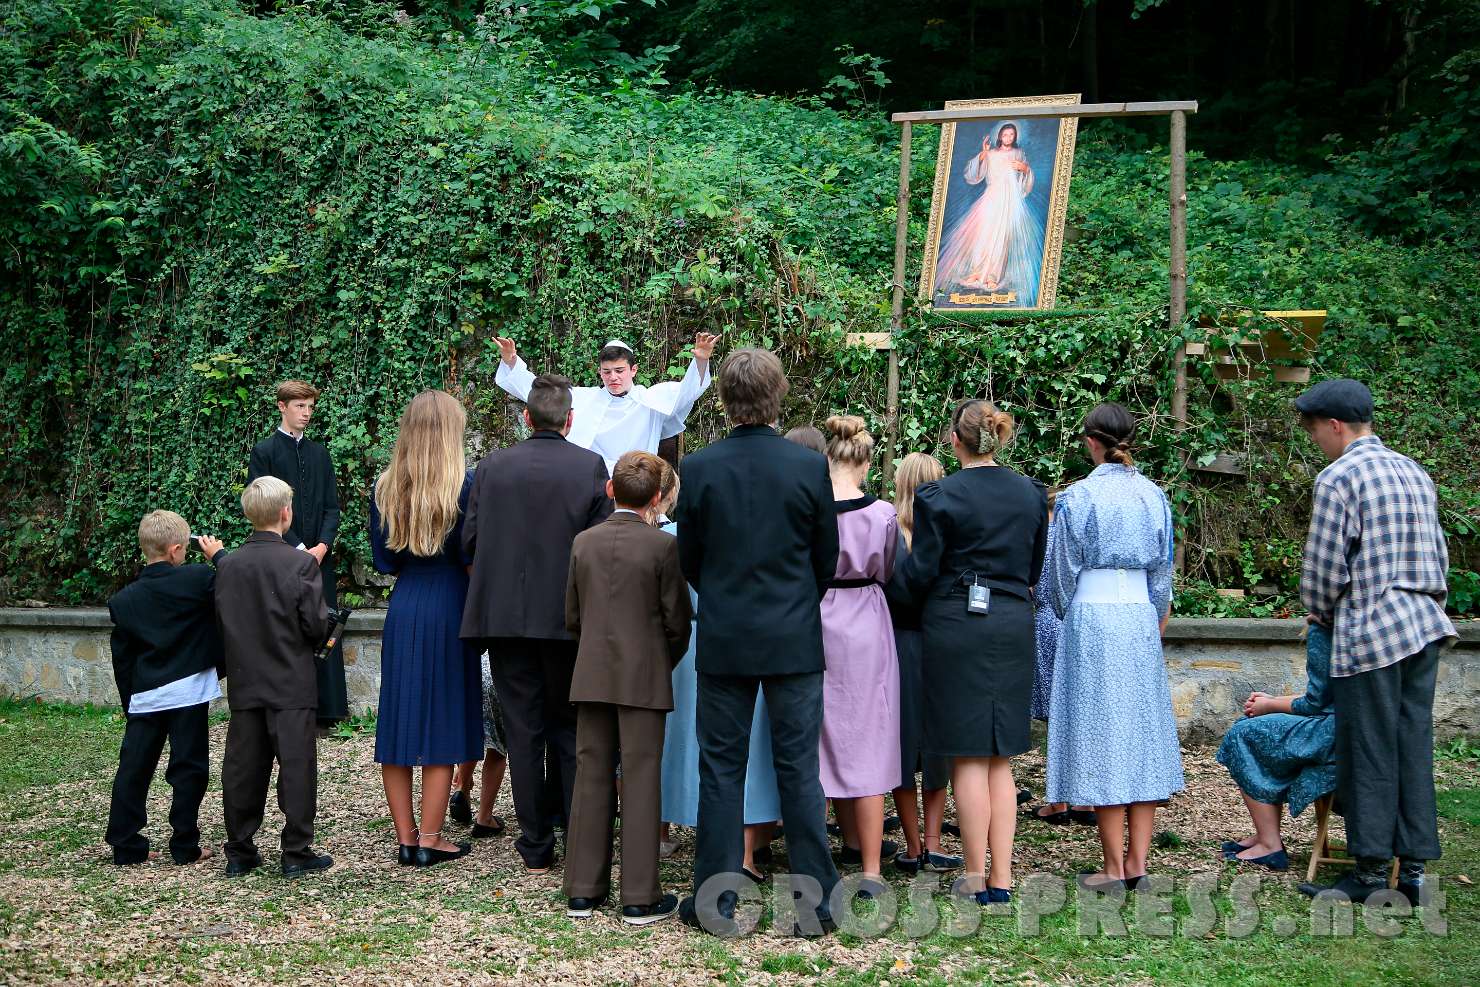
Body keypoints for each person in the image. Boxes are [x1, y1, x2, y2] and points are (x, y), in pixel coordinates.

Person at [675, 348, 842, 935]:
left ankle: (713, 901)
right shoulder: (806, 467)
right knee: (799, 768)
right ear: (777, 397)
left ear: (724, 399)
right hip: (793, 634)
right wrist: (795, 602)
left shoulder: (699, 469)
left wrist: (723, 597)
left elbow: (689, 558)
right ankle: (816, 905)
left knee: (721, 769)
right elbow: (826, 558)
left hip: (726, 632)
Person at [1292, 379, 1456, 906]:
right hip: (1424, 625)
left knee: (1368, 751)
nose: (1315, 440)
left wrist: (1319, 610)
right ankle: (1411, 873)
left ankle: (1366, 874)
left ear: (1335, 425)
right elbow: (1440, 556)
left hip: (1370, 632)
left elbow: (1323, 570)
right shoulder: (1414, 471)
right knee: (1412, 747)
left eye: (1315, 430)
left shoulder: (1340, 477)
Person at [460, 374, 612, 873]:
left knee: (522, 730)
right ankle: (574, 829)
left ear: (527, 418)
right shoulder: (588, 467)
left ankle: (534, 842)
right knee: (568, 729)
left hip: (505, 619)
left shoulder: (493, 466)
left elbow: (470, 540)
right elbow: (599, 548)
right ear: (569, 420)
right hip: (568, 619)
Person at [900, 400, 1047, 905]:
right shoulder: (1031, 494)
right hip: (1010, 618)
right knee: (1000, 757)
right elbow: (1033, 569)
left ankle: (973, 873)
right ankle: (1002, 877)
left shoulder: (937, 496)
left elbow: (920, 571)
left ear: (955, 441)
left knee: (966, 754)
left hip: (955, 622)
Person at [1043, 402, 1182, 892]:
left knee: (1102, 733)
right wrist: (1155, 614)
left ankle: (1113, 865)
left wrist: (1065, 610)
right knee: (1140, 732)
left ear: (1090, 442)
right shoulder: (1155, 496)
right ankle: (1139, 863)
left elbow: (1059, 575)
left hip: (1094, 618)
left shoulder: (1077, 498)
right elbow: (1163, 572)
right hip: (1140, 617)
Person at [563, 452, 692, 925]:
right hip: (643, 675)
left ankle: (583, 889)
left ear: (611, 490)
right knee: (640, 779)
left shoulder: (583, 543)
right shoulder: (662, 548)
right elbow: (677, 622)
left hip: (592, 672)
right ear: (656, 498)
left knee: (591, 774)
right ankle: (638, 895)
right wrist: (660, 661)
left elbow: (573, 618)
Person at [369, 390, 484, 868]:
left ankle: (405, 836)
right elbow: (473, 555)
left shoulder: (387, 486)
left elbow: (384, 561)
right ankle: (431, 839)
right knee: (444, 715)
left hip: (407, 603)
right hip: (451, 603)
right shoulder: (466, 485)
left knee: (399, 717)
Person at [215, 476, 332, 878]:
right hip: (290, 679)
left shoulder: (227, 565)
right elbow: (316, 625)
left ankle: (240, 850)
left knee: (243, 767)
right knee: (296, 765)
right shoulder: (300, 564)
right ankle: (297, 850)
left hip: (246, 680)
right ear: (286, 513)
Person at [104, 511, 225, 867]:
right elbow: (235, 585)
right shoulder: (198, 579)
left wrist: (131, 700)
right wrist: (216, 556)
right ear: (174, 550)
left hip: (146, 694)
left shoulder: (124, 601)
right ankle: (184, 843)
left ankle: (126, 843)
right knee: (188, 768)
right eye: (185, 548)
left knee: (134, 768)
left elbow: (122, 658)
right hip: (189, 691)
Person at [817, 416, 901, 895]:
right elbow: (888, 567)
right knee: (867, 735)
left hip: (821, 615)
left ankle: (820, 854)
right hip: (867, 618)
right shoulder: (884, 514)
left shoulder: (812, 512)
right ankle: (870, 867)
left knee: (820, 734)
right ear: (866, 463)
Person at [247, 380, 346, 729]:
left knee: (325, 623)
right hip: (280, 555)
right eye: (299, 406)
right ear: (282, 406)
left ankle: (328, 711)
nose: (306, 413)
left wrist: (320, 547)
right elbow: (262, 504)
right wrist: (299, 548)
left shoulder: (320, 454)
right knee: (289, 627)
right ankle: (288, 706)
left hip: (320, 558)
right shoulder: (264, 452)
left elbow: (333, 508)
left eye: (310, 407)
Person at [884, 452, 961, 875]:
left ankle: (913, 845)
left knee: (898, 745)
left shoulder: (887, 530)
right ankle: (931, 843)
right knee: (937, 745)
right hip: (940, 644)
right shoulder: (948, 533)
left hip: (894, 645)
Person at [491, 333, 720, 473]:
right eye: (607, 372)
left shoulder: (651, 400)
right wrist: (511, 361)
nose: (613, 378)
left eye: (619, 371)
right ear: (599, 372)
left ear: (633, 370)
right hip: (590, 482)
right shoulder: (583, 397)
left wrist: (700, 361)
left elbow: (688, 391)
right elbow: (538, 390)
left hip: (637, 482)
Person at [1216, 623, 1338, 872]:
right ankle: (1265, 835)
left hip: (1333, 734)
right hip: (1344, 726)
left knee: (1243, 734)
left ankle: (1270, 845)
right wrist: (1272, 701)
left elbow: (1315, 703)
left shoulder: (1324, 626)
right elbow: (1327, 696)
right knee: (1254, 727)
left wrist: (1268, 706)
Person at [1023, 489, 1096, 827]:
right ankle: (1086, 800)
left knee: (1057, 717)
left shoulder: (1046, 539)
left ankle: (1059, 801)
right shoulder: (1081, 540)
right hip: (1079, 623)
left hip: (1049, 623)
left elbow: (1034, 586)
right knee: (1081, 713)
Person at [934, 123, 1045, 303]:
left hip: (1008, 201)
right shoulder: (991, 154)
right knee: (982, 234)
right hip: (991, 197)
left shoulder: (1018, 154)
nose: (1008, 138)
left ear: (1014, 138)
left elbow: (1025, 178)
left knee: (1000, 237)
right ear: (999, 136)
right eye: (1005, 134)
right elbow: (973, 174)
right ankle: (977, 272)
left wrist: (1025, 170)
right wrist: (983, 154)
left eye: (1011, 135)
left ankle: (992, 275)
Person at [448, 658, 509, 840]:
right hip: (497, 668)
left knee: (472, 734)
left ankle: (461, 788)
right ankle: (484, 818)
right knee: (497, 747)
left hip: (470, 669)